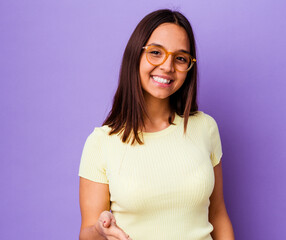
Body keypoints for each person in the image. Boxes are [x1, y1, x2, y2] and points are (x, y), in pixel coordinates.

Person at [78, 9, 234, 240]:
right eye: (155, 53)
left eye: (180, 58)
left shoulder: (205, 128)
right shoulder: (101, 142)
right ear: (136, 55)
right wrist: (100, 231)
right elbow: (87, 232)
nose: (167, 66)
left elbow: (218, 214)